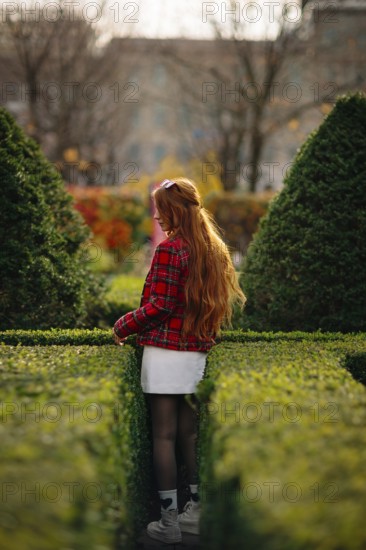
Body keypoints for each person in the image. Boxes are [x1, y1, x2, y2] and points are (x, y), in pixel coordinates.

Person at [113, 177, 246, 544]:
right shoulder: (212, 248)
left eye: (160, 209)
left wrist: (123, 324)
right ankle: (196, 513)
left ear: (172, 210)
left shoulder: (172, 250)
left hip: (166, 352)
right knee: (189, 434)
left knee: (164, 436)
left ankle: (168, 521)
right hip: (195, 353)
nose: (156, 216)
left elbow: (159, 306)